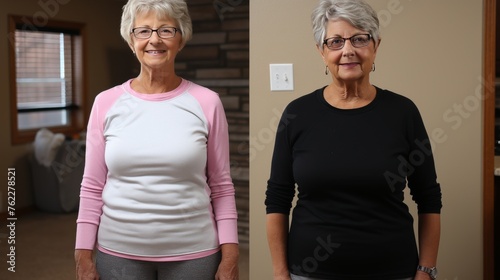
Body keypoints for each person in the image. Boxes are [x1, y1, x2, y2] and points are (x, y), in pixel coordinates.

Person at [265, 0, 442, 279]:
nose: (348, 50)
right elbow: (277, 198)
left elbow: (429, 196)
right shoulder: (297, 114)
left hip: (392, 271)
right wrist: (280, 273)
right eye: (335, 41)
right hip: (310, 271)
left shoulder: (403, 112)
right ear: (321, 52)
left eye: (359, 39)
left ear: (375, 46)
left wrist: (426, 270)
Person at [74, 0, 239, 279]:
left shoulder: (207, 102)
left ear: (181, 38)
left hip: (194, 253)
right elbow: (92, 186)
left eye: (166, 30)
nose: (154, 40)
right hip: (117, 252)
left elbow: (221, 186)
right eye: (144, 31)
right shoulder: (105, 103)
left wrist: (231, 255)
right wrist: (82, 254)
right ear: (131, 39)